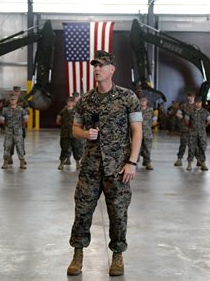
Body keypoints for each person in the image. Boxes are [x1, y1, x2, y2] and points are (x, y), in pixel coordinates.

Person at [67, 50, 142, 277]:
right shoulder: (86, 100)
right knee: (82, 211)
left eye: (101, 65)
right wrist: (85, 134)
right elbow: (75, 128)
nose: (96, 69)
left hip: (118, 168)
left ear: (112, 69)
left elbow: (137, 131)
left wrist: (132, 162)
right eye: (95, 66)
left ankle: (118, 255)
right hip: (90, 167)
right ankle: (78, 254)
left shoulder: (128, 98)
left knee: (118, 214)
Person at [0, 95, 28, 170]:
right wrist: (7, 126)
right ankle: (5, 162)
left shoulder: (21, 110)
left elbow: (26, 120)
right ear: (10, 101)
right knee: (7, 147)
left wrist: (20, 126)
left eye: (14, 100)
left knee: (20, 147)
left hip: (18, 132)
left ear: (17, 101)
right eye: (11, 99)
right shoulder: (5, 110)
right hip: (8, 132)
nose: (12, 101)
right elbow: (1, 120)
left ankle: (22, 163)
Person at [56, 96, 83, 170]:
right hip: (65, 133)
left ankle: (78, 164)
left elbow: (81, 121)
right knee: (64, 149)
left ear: (74, 103)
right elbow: (58, 121)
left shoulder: (77, 111)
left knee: (76, 149)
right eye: (68, 101)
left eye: (71, 101)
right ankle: (61, 163)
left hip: (75, 133)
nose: (69, 103)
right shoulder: (63, 111)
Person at [185, 97, 210, 171]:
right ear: (194, 103)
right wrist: (191, 127)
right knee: (191, 148)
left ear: (201, 103)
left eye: (199, 102)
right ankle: (189, 164)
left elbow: (209, 120)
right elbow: (186, 120)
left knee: (202, 148)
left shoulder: (205, 111)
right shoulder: (190, 111)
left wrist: (203, 127)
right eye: (196, 102)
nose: (198, 104)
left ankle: (203, 163)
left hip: (202, 134)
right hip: (192, 133)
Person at [174, 92, 195, 167]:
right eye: (189, 96)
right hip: (185, 128)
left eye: (192, 96)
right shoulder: (183, 105)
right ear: (187, 97)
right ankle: (179, 159)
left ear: (194, 97)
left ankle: (198, 160)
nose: (191, 98)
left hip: (194, 129)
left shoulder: (197, 106)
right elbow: (178, 114)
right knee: (183, 144)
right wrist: (183, 118)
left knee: (194, 145)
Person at [140, 96, 156, 170]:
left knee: (147, 148)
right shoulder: (137, 110)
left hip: (147, 132)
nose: (143, 102)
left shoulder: (150, 110)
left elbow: (154, 119)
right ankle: (135, 162)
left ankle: (148, 162)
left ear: (146, 101)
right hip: (138, 133)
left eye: (144, 100)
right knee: (137, 148)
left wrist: (150, 125)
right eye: (142, 100)